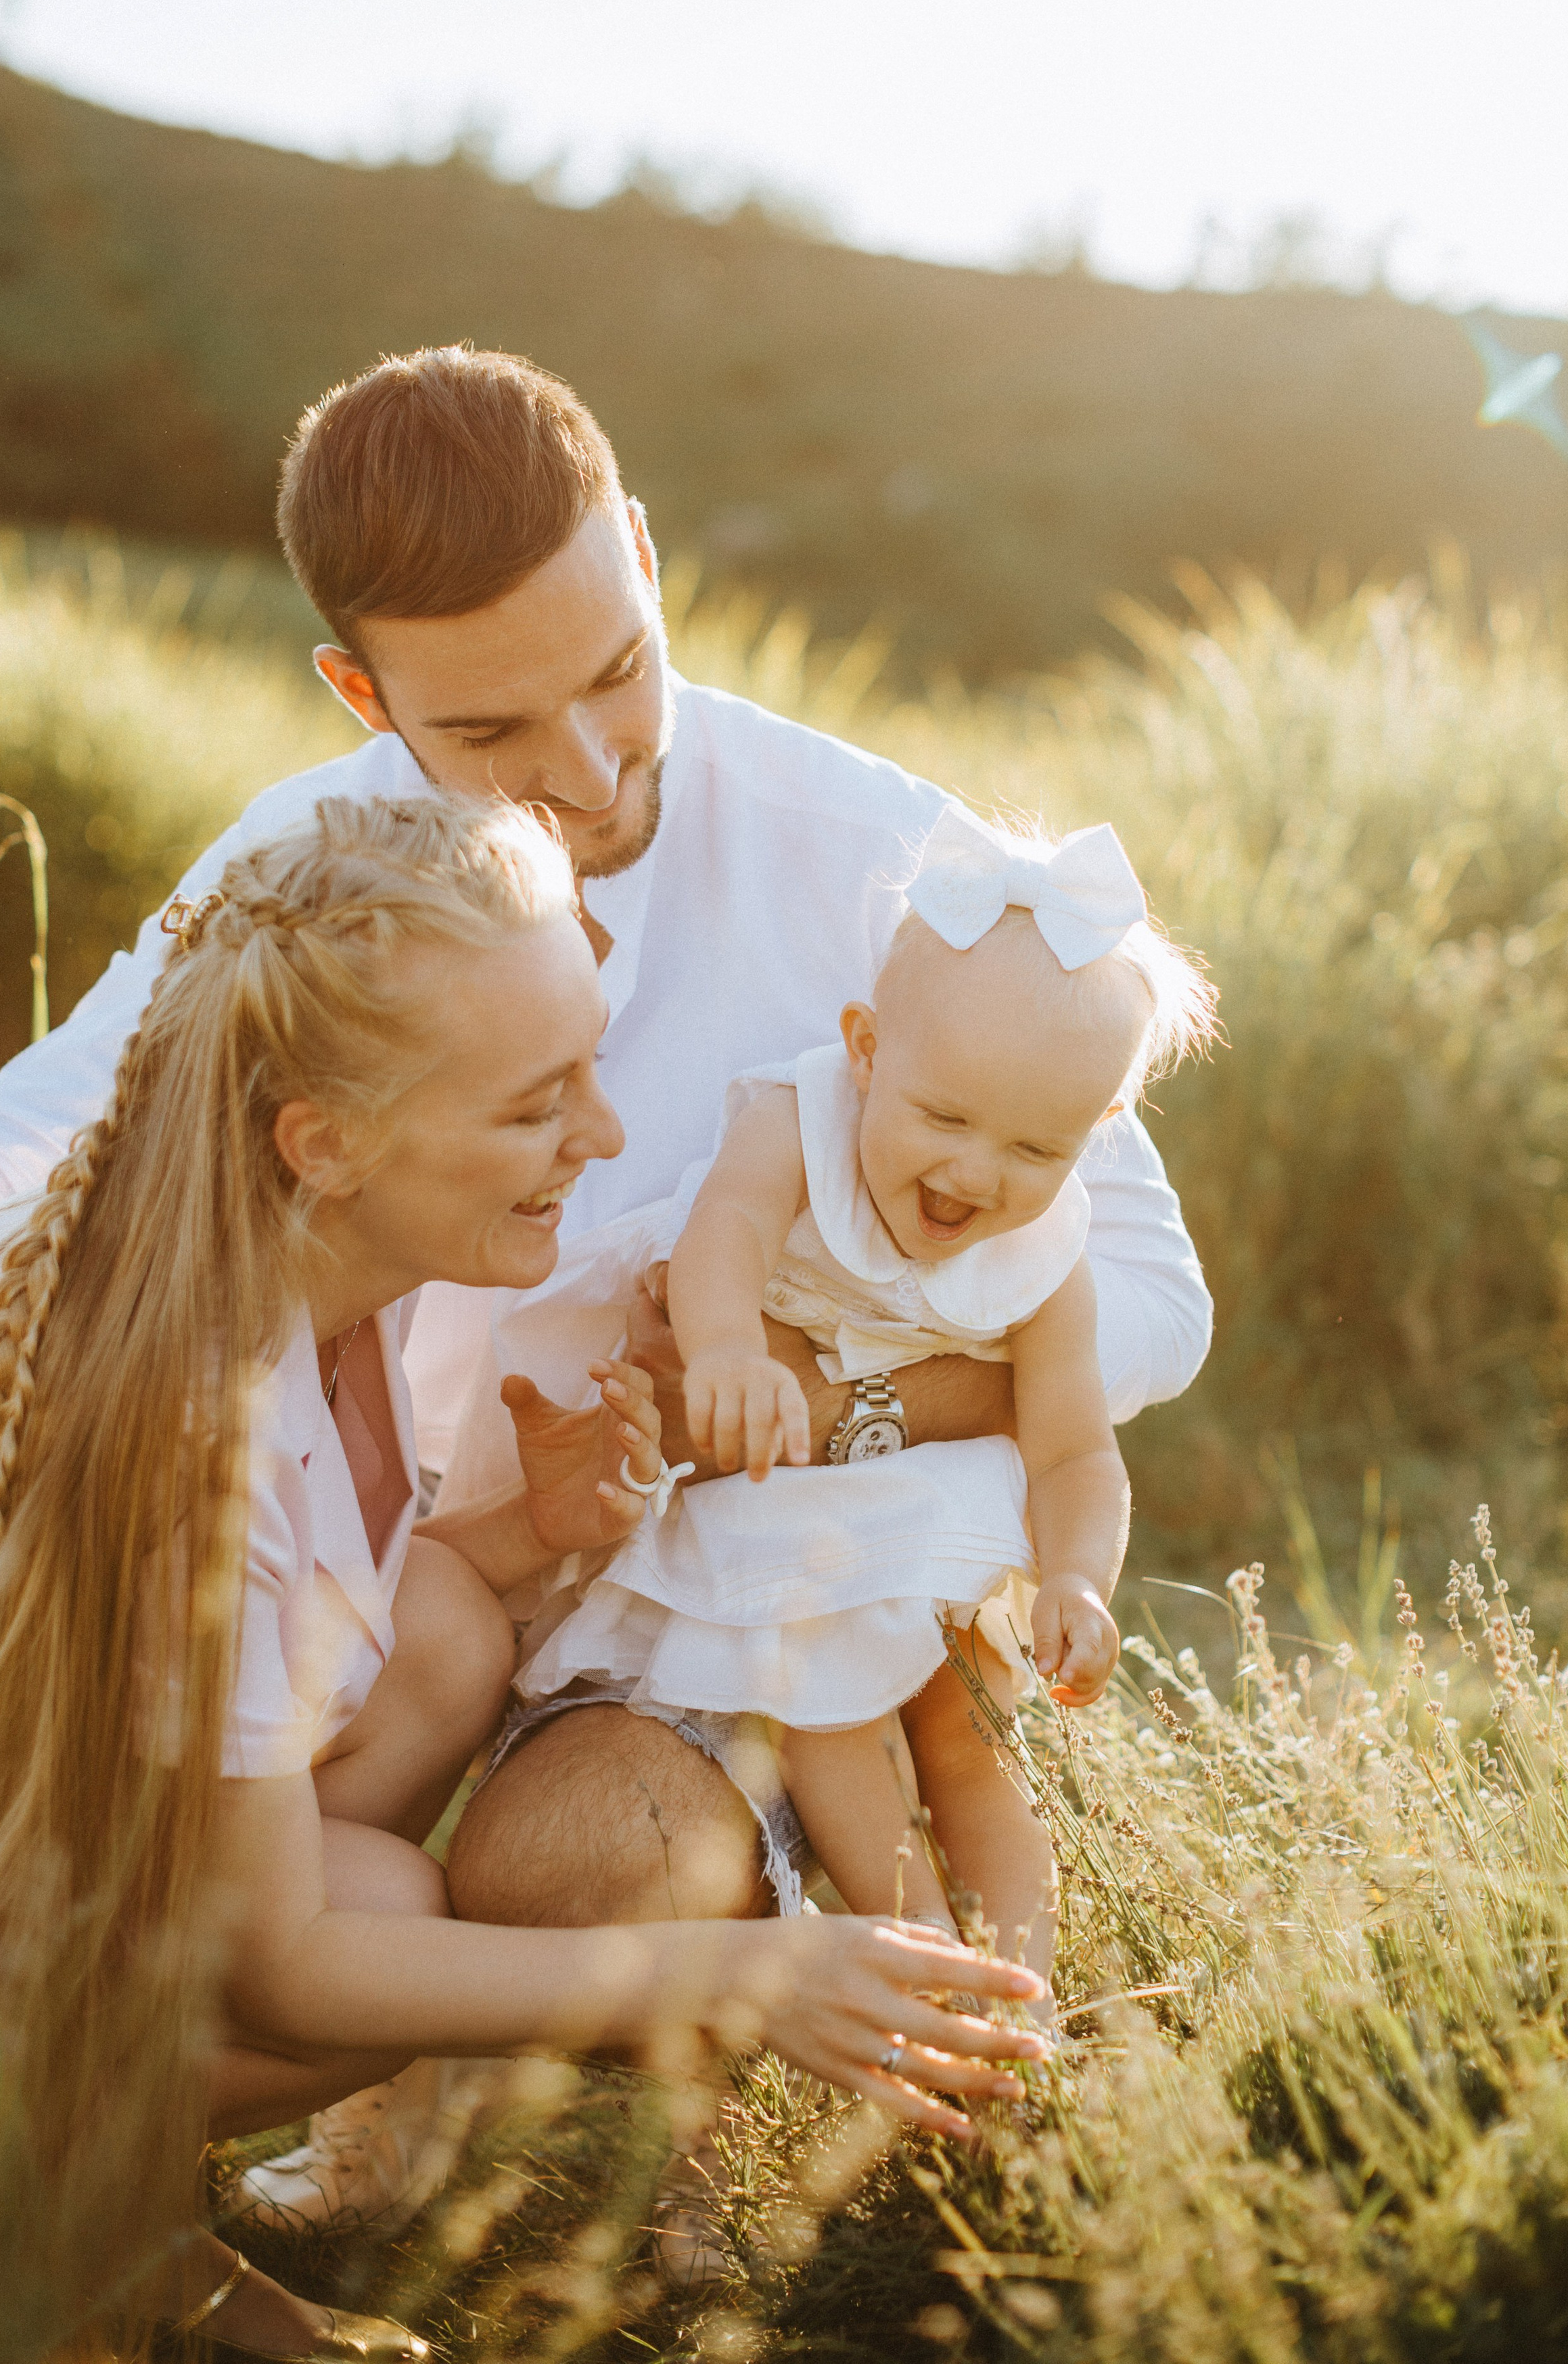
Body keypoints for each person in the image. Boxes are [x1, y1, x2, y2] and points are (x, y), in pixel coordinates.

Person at [0, 345, 1210, 2218]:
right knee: (336, 1792)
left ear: (647, 560)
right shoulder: (322, 869)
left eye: (616, 675)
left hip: (697, 1606)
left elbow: (1150, 1293)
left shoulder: (882, 861)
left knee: (571, 1868)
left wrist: (834, 1402)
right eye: (490, 734)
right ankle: (111, 2132)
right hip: (412, 1582)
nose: (586, 774)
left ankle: (655, 2081)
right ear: (361, 691)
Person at [0, 791, 1044, 2361]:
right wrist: (751, 1968)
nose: (607, 1135)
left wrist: (530, 1534)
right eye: (536, 1103)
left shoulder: (315, 1262)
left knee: (432, 1639)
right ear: (327, 1143)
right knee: (359, 1914)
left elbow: (278, 1637)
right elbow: (280, 1958)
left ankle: (115, 2225)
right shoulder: (178, 1424)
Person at [516, 806, 1218, 1995]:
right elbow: (722, 1232)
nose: (974, 1174)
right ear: (866, 1048)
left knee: (977, 1746)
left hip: (939, 1506)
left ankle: (1019, 2001)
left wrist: (1078, 1578)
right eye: (943, 1117)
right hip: (795, 1507)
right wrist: (731, 1350)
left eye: (1033, 1151)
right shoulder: (796, 1122)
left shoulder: (1050, 1253)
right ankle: (920, 1962)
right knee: (831, 1717)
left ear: (1094, 1138)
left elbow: (1073, 1452)